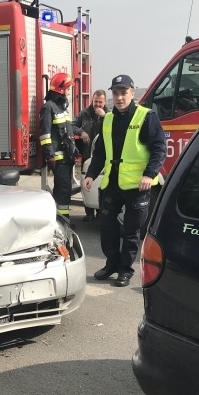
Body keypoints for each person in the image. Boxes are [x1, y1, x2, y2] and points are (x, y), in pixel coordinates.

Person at [83, 74, 166, 287]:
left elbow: (159, 149)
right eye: (116, 93)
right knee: (108, 227)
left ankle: (125, 270)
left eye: (124, 93)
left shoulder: (146, 116)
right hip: (112, 183)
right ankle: (111, 264)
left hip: (138, 185)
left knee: (131, 231)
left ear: (132, 93)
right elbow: (100, 151)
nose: (119, 97)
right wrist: (91, 174)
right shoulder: (108, 118)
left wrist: (150, 174)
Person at [38, 72, 81, 222]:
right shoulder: (48, 108)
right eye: (68, 88)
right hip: (59, 159)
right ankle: (62, 223)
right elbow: (45, 134)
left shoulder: (60, 108)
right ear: (61, 89)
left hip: (67, 158)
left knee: (65, 192)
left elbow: (68, 129)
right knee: (62, 193)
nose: (69, 91)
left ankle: (64, 220)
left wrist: (81, 133)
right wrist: (50, 156)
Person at [74, 89, 107, 221]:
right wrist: (81, 132)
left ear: (104, 102)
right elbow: (72, 125)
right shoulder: (84, 113)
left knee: (100, 184)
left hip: (102, 156)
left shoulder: (109, 114)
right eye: (95, 101)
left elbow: (115, 127)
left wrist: (104, 117)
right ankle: (89, 214)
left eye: (100, 102)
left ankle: (100, 212)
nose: (97, 104)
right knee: (86, 182)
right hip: (87, 155)